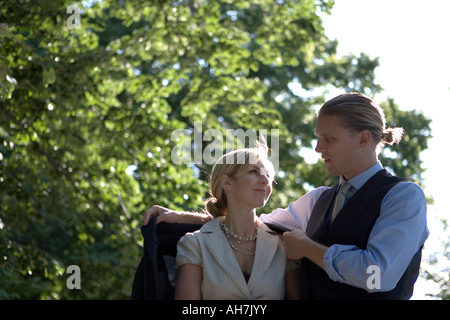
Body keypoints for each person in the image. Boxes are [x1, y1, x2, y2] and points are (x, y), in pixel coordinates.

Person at [145, 92, 428, 299]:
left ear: (364, 138)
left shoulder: (403, 197)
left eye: (328, 139)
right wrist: (182, 217)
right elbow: (254, 224)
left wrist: (307, 248)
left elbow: (376, 274)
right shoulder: (319, 199)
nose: (318, 148)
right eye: (317, 137)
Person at [172, 142, 300, 300]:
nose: (265, 180)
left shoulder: (284, 244)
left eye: (268, 175)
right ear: (227, 182)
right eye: (254, 171)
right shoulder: (195, 243)